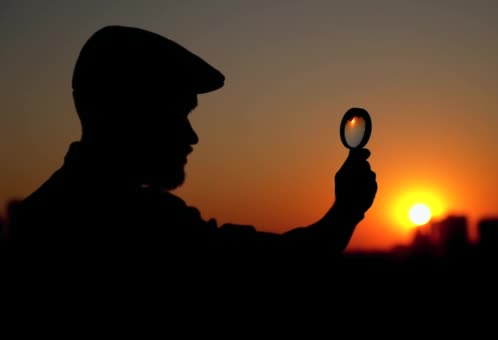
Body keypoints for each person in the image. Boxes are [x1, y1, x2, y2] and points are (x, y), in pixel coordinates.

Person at [10, 26, 377, 268]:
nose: (192, 136)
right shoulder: (146, 229)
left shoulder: (35, 218)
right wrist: (346, 210)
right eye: (178, 113)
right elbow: (276, 265)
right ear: (130, 111)